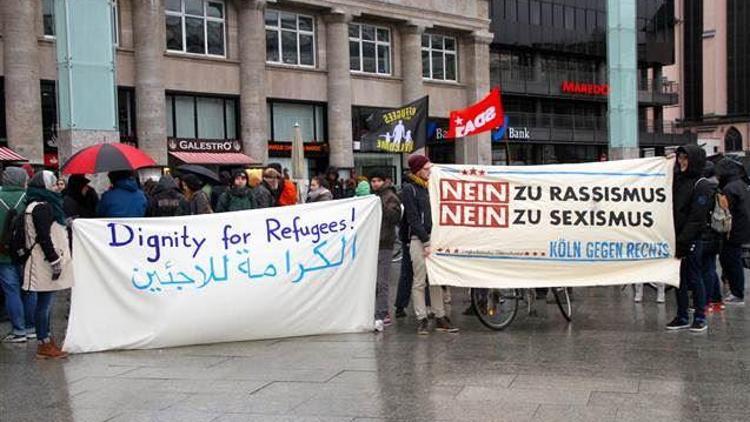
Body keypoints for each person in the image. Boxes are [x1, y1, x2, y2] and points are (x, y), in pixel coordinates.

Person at [401, 154, 457, 334]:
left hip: (434, 238)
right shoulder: (410, 189)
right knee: (419, 280)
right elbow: (413, 217)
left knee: (436, 278)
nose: (429, 171)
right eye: (426, 169)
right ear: (418, 170)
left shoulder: (430, 186)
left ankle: (440, 315)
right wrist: (425, 240)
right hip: (419, 239)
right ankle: (421, 317)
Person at [23, 171, 73, 359]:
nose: (55, 185)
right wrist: (54, 259)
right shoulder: (42, 206)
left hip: (43, 259)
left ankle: (47, 340)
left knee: (45, 303)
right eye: (52, 182)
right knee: (44, 304)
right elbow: (44, 236)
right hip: (45, 261)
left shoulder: (38, 204)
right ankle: (44, 343)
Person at [667, 145, 712, 332]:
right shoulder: (680, 179)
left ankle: (700, 316)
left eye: (685, 158)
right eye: (680, 158)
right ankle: (682, 315)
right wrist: (667, 162)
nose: (681, 162)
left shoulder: (701, 184)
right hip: (678, 238)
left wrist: (684, 240)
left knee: (694, 277)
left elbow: (696, 218)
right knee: (680, 280)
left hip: (692, 240)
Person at [0, 167, 36, 343]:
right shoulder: (29, 197)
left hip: (4, 253)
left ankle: (18, 331)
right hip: (27, 252)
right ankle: (31, 327)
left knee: (11, 291)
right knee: (29, 289)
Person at [716, 157, 750, 306]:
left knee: (732, 260)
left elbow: (726, 212)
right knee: (734, 259)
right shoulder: (742, 185)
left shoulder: (729, 189)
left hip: (733, 230)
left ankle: (737, 293)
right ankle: (736, 290)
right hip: (743, 228)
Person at [371, 170, 401, 332]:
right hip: (374, 243)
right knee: (375, 281)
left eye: (377, 180)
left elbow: (393, 218)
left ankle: (382, 314)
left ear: (384, 181)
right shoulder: (374, 196)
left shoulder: (390, 197)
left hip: (384, 243)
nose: (375, 183)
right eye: (373, 181)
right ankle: (379, 312)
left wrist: (380, 205)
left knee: (382, 282)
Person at [700, 161, 724, 312]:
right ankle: (717, 300)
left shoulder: (704, 189)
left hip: (705, 235)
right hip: (716, 233)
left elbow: (700, 211)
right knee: (710, 267)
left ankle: (706, 301)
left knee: (705, 269)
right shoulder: (718, 189)